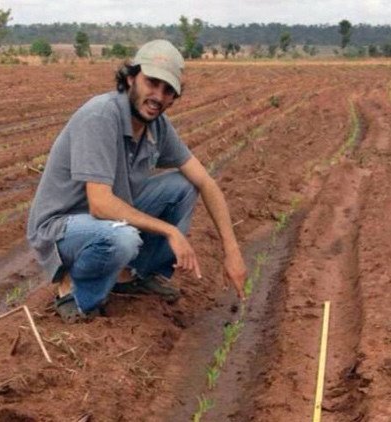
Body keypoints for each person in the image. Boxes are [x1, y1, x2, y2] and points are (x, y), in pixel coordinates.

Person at [26, 39, 246, 321]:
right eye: (152, 82)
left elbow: (206, 182)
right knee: (122, 238)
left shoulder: (158, 127)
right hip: (62, 226)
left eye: (168, 90)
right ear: (131, 78)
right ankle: (76, 295)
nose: (158, 96)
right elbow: (100, 205)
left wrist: (232, 251)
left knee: (183, 186)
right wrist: (171, 231)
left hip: (106, 219)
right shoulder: (101, 116)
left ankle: (130, 276)